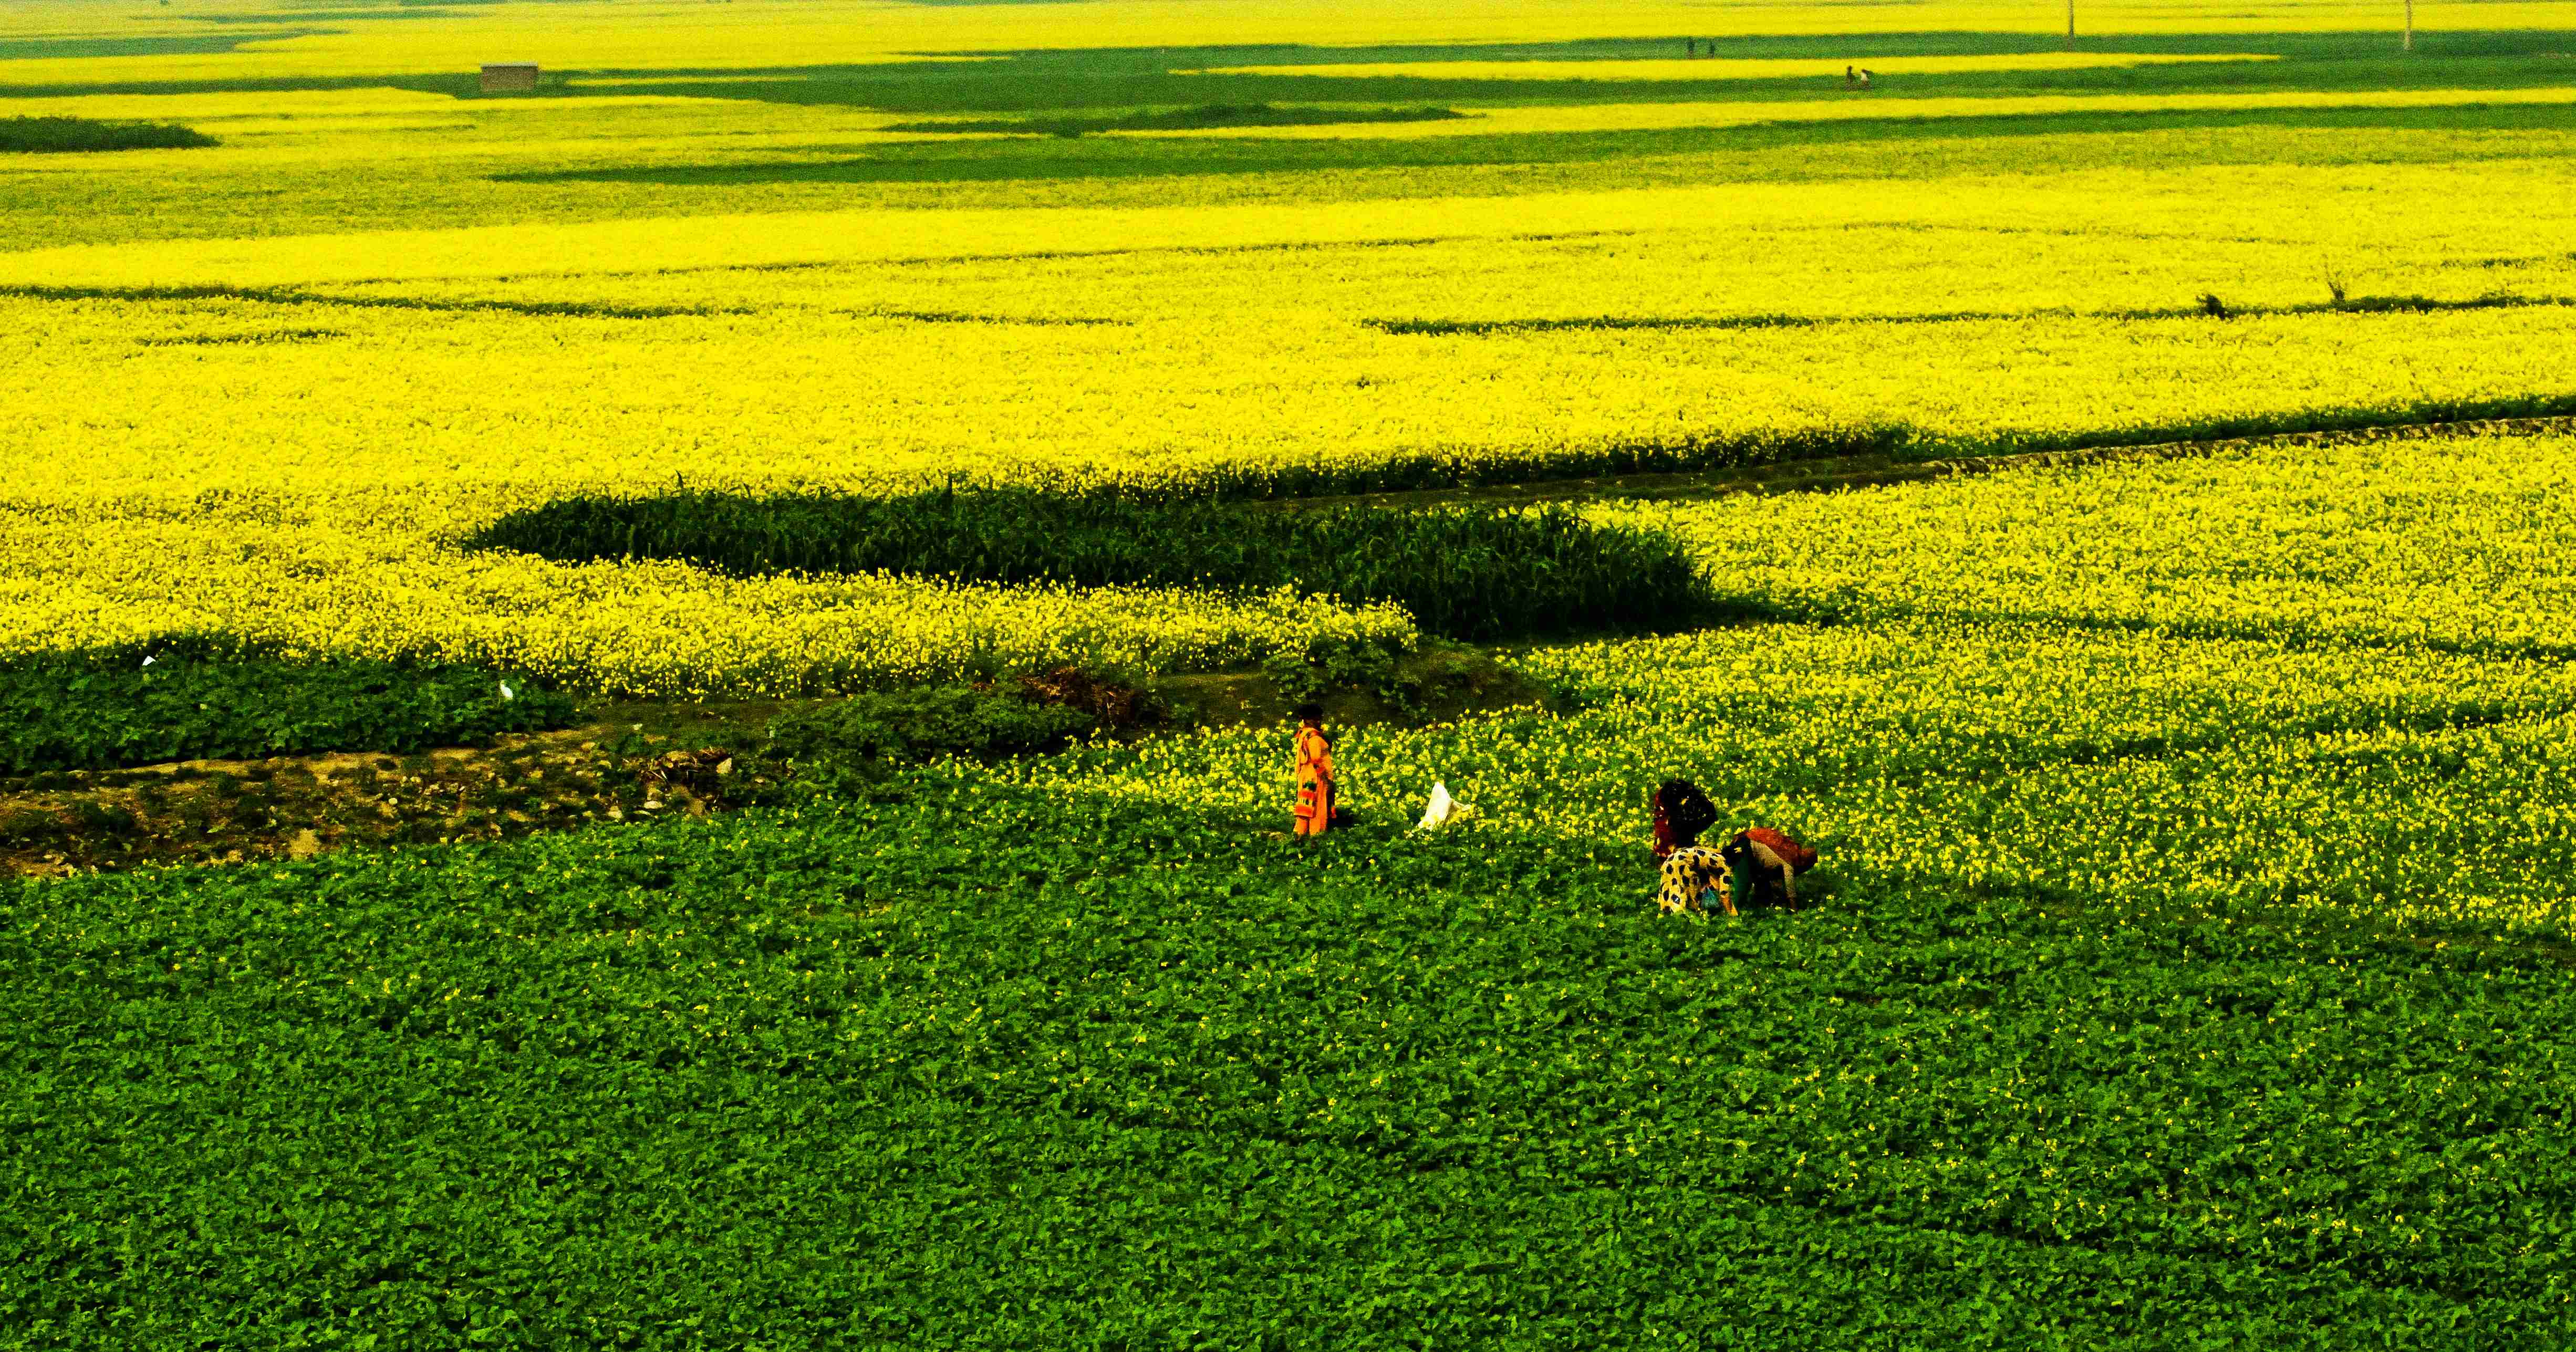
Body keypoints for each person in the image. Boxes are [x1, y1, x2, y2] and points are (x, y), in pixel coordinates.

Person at [1651, 778, 1730, 915]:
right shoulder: (1687, 809)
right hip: (1680, 848)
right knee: (1684, 874)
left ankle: (1676, 909)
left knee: (1676, 875)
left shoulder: (1670, 814)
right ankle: (1688, 907)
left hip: (1678, 850)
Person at [1291, 702, 1335, 839]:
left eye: (1319, 718)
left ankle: (1299, 834)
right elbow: (1316, 759)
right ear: (1307, 719)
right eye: (1316, 718)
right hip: (1316, 777)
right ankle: (1317, 836)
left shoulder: (1303, 734)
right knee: (1318, 807)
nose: (1319, 721)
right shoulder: (1315, 737)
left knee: (1305, 805)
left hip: (1305, 775)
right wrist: (1326, 779)